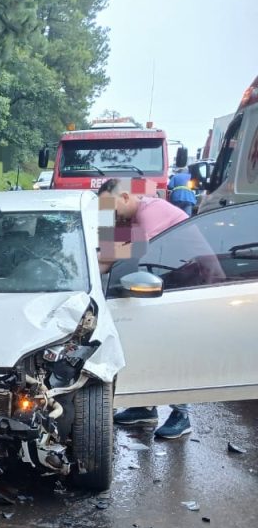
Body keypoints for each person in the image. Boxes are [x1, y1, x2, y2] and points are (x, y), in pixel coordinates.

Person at [96, 177, 193, 439]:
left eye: (110, 207)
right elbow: (105, 258)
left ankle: (182, 414)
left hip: (190, 283)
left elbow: (133, 250)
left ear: (125, 197)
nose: (109, 213)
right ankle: (145, 407)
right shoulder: (128, 219)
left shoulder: (151, 211)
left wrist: (103, 254)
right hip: (162, 280)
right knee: (147, 340)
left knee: (173, 347)